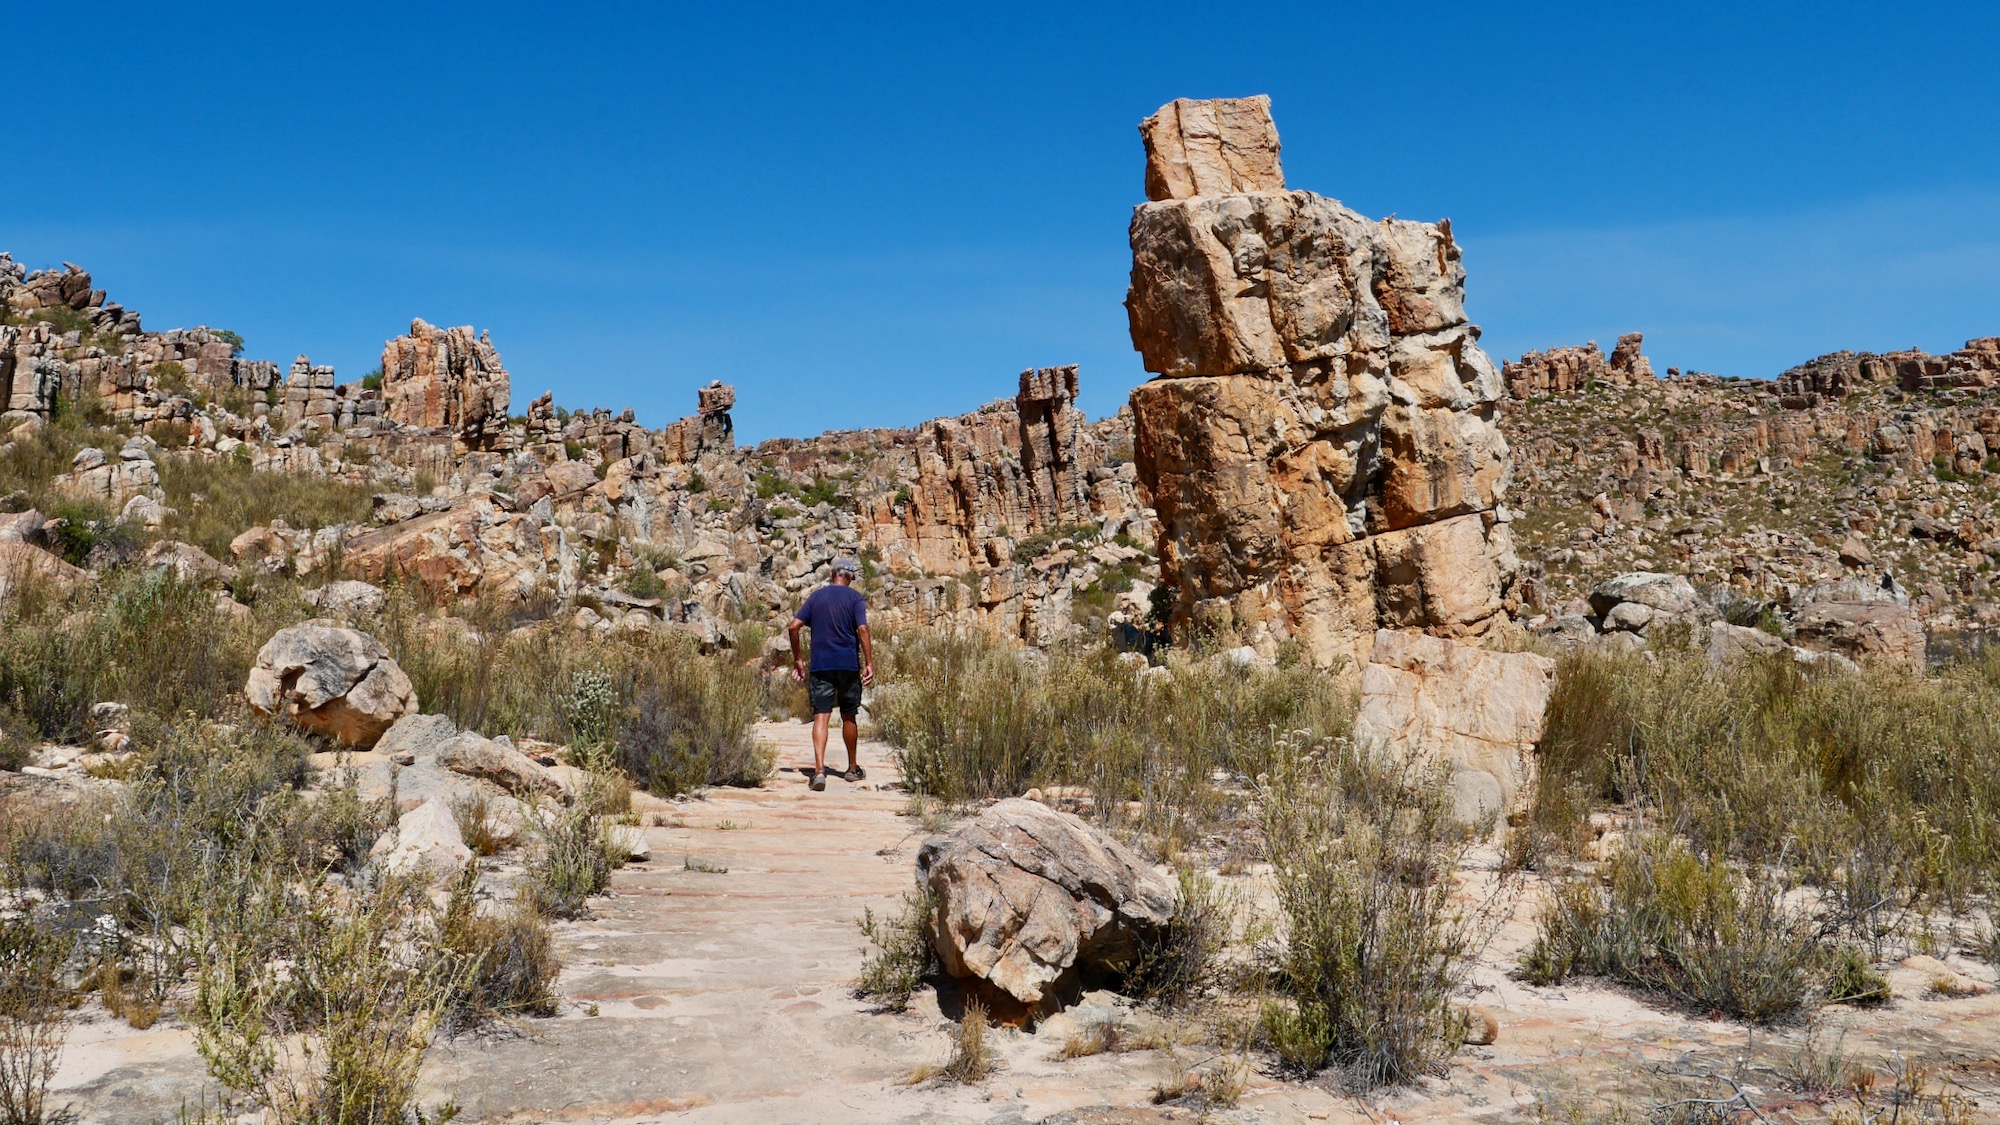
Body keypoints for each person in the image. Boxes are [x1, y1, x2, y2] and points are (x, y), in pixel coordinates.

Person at [788, 556, 875, 791]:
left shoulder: (816, 597)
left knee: (821, 716)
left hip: (821, 665)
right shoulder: (855, 598)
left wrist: (798, 659)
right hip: (848, 665)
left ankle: (819, 771)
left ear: (831, 575)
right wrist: (869, 663)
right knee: (849, 716)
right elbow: (863, 629)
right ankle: (852, 768)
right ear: (850, 577)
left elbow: (793, 626)